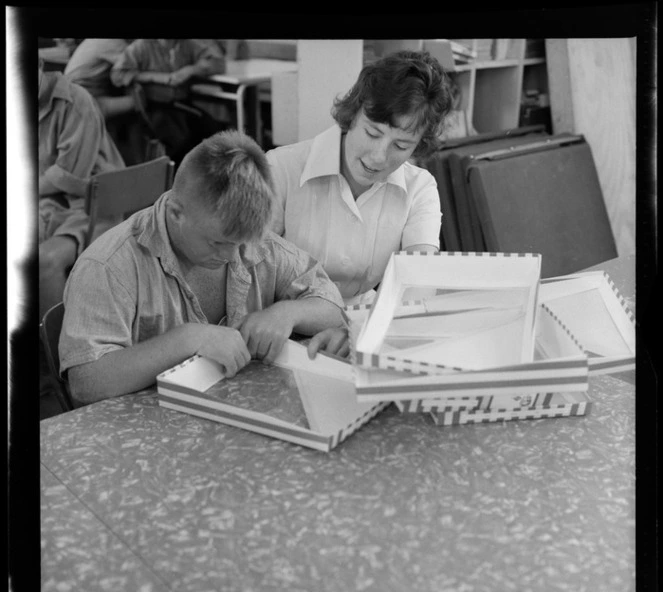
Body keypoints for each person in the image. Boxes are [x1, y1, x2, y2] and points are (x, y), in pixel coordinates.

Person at [59, 130, 349, 406]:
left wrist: (287, 313)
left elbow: (333, 307)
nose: (232, 255)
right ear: (176, 213)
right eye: (217, 242)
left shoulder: (252, 244)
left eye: (241, 242)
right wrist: (188, 339)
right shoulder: (107, 266)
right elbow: (86, 382)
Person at [266, 50, 454, 306]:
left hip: (361, 321)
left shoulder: (419, 188)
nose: (378, 157)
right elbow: (249, 272)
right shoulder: (281, 168)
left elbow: (418, 285)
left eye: (401, 146)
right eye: (372, 133)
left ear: (419, 145)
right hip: (281, 320)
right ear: (353, 113)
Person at [38, 58, 126, 321]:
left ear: (39, 64)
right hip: (45, 203)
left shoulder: (76, 101)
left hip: (91, 207)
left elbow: (66, 178)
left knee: (45, 261)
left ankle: (57, 352)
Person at [110, 38, 227, 165]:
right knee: (179, 139)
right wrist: (156, 77)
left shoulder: (187, 44)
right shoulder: (142, 46)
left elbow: (218, 64)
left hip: (180, 104)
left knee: (212, 130)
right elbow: (118, 74)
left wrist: (190, 70)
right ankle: (175, 178)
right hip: (152, 105)